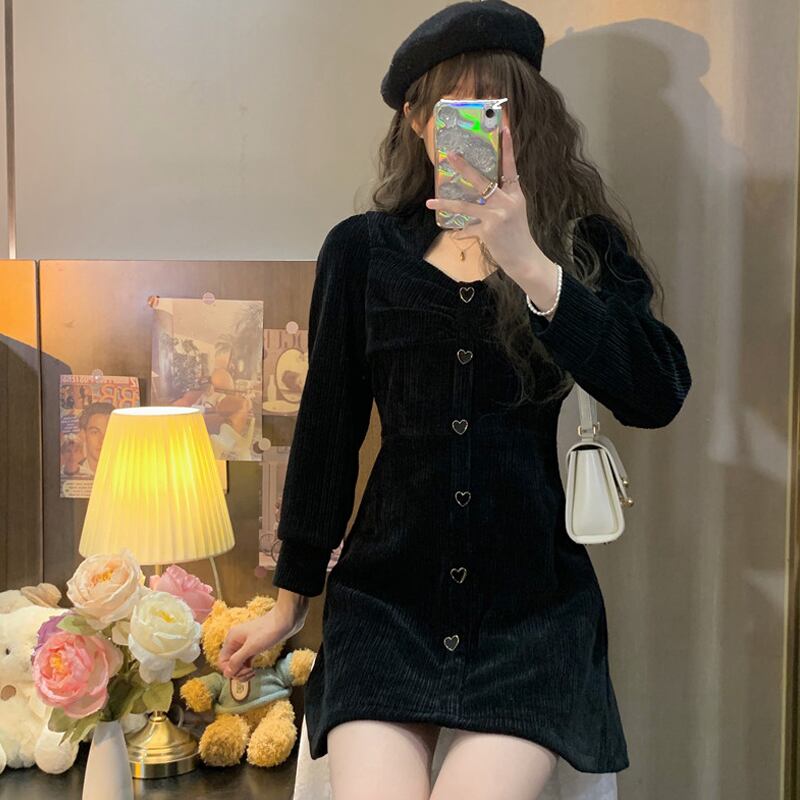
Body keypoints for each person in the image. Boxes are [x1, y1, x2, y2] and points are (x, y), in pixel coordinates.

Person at [218, 2, 692, 798]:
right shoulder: (362, 252)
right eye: (452, 108)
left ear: (526, 115)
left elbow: (657, 391)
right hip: (386, 604)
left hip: (531, 613)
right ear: (415, 120)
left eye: (494, 105)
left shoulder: (579, 245)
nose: (475, 126)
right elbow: (328, 433)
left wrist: (532, 265)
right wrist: (289, 602)